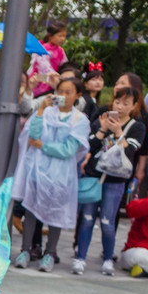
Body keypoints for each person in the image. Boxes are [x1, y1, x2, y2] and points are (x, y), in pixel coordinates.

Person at [12, 78, 90, 272]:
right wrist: (40, 110)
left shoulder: (80, 120)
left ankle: (50, 253)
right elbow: (32, 137)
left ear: (78, 95)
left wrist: (44, 146)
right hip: (38, 169)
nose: (63, 96)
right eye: (60, 91)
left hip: (62, 174)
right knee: (31, 208)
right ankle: (25, 250)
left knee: (56, 213)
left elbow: (68, 150)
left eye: (68, 92)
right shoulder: (45, 113)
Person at [74, 86, 146, 275]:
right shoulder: (101, 120)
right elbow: (88, 147)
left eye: (125, 103)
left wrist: (118, 132)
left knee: (107, 221)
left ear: (134, 106)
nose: (120, 107)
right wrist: (103, 129)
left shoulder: (137, 126)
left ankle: (107, 258)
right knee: (87, 219)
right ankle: (80, 258)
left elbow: (131, 151)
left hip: (116, 180)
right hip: (93, 177)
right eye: (117, 102)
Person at [28, 23, 68, 97]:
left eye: (64, 36)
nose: (63, 39)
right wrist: (53, 76)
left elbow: (65, 65)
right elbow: (44, 67)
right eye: (60, 36)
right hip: (40, 78)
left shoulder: (61, 50)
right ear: (50, 36)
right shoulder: (42, 49)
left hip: (53, 79)